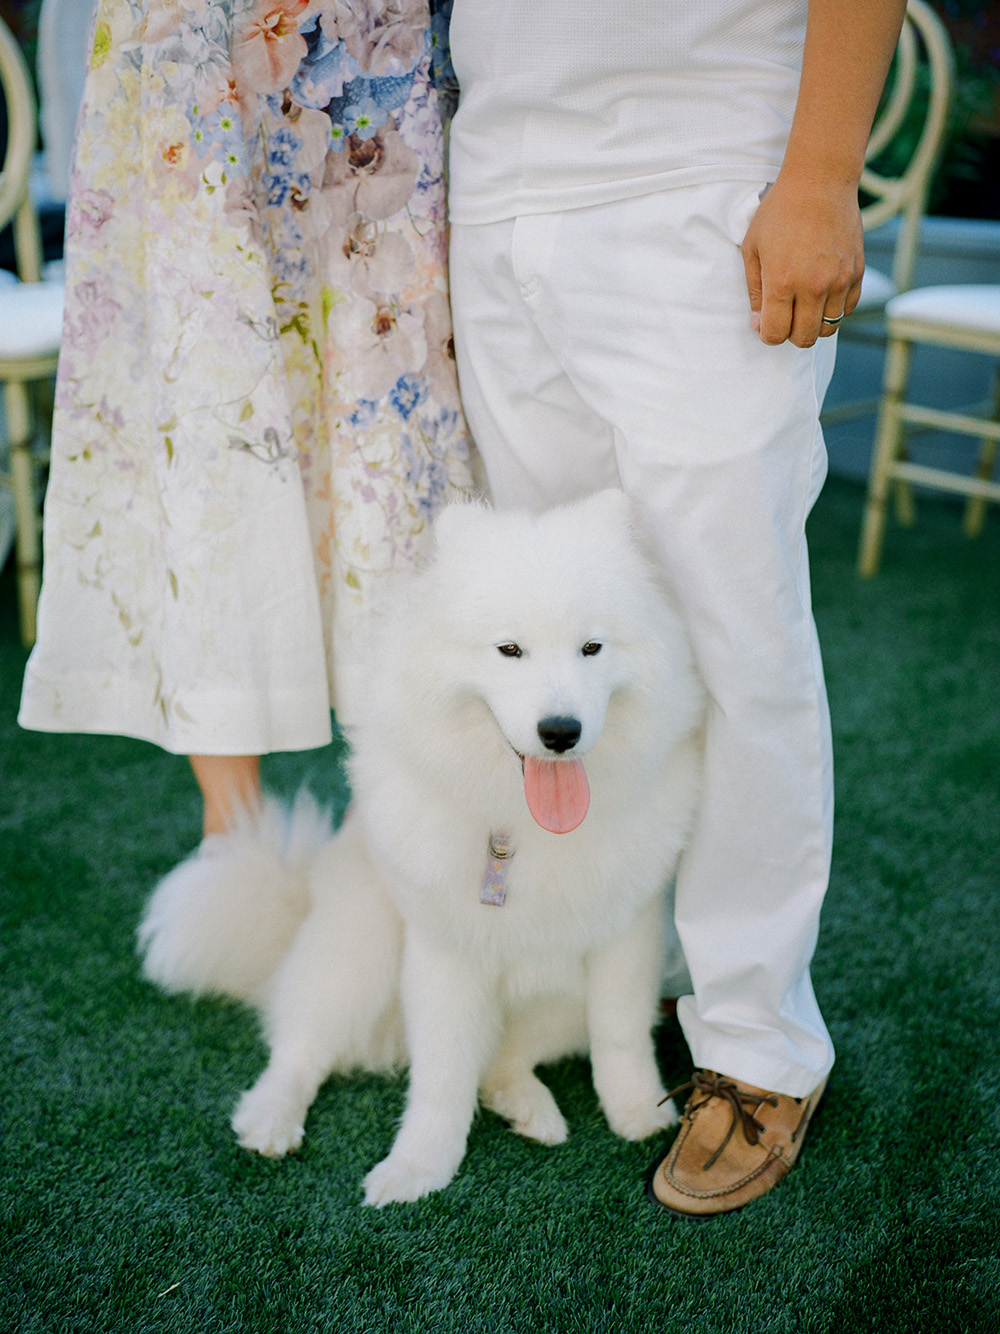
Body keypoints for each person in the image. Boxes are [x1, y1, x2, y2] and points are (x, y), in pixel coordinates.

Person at [445, 0, 908, 1215]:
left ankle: (758, 1043)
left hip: (703, 173)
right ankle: (620, 971)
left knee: (732, 637)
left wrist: (818, 170)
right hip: (493, 183)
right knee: (576, 649)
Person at [19, 0, 477, 837]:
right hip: (198, 42)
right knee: (212, 383)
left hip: (366, 40)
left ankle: (417, 824)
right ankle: (235, 836)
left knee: (388, 384)